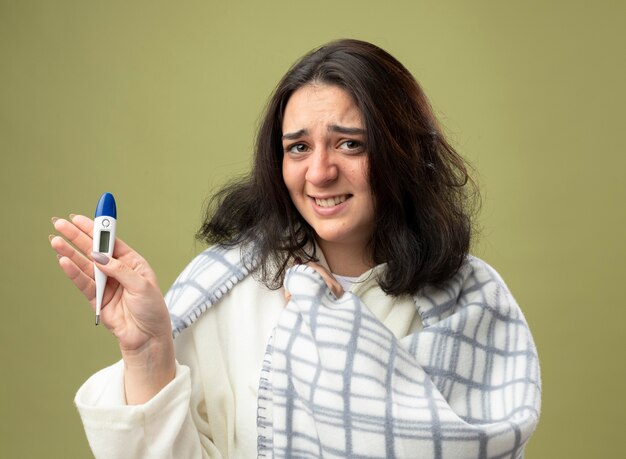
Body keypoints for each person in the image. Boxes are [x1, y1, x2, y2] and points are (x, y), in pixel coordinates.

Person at [50, 39, 541, 458]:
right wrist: (148, 352)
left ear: (402, 151)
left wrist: (331, 325)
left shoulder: (473, 299)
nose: (320, 173)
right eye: (299, 148)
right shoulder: (227, 289)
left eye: (350, 144)